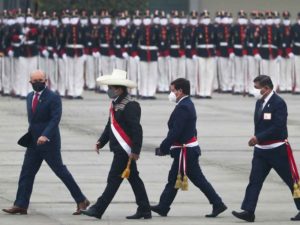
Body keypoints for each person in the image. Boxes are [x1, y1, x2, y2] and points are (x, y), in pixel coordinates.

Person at [2, 70, 89, 215]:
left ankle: (81, 200)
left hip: (49, 142)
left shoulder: (53, 97)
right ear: (30, 82)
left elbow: (55, 119)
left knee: (60, 171)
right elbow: (33, 120)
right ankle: (21, 204)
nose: (37, 83)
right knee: (26, 173)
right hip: (33, 143)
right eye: (34, 81)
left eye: (40, 80)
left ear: (46, 81)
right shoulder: (29, 97)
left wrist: (45, 135)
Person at [151, 78, 227, 217]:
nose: (171, 93)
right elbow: (191, 129)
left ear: (180, 91)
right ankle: (163, 206)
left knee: (195, 179)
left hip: (186, 152)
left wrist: (164, 147)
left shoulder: (184, 106)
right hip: (187, 150)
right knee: (175, 179)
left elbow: (176, 131)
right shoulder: (185, 104)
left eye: (173, 90)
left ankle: (218, 203)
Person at [81, 69, 152, 219]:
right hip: (119, 148)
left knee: (113, 180)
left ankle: (98, 209)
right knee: (134, 179)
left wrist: (135, 150)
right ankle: (145, 209)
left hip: (124, 150)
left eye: (110, 88)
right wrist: (101, 141)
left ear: (119, 89)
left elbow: (136, 129)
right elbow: (110, 126)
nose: (108, 91)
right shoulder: (116, 103)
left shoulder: (130, 105)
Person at [232, 75, 300, 222]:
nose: (254, 90)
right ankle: (248, 211)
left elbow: (278, 126)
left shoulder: (278, 103)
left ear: (266, 88)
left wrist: (258, 137)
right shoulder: (259, 102)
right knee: (254, 181)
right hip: (261, 151)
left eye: (256, 88)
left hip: (277, 150)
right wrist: (258, 140)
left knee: (292, 181)